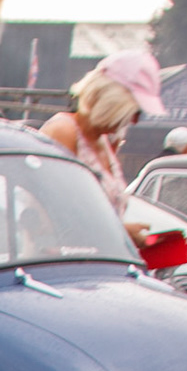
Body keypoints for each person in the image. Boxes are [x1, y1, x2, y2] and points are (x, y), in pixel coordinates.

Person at [41, 49, 166, 246]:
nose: (134, 121)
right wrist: (120, 232)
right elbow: (53, 213)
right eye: (135, 111)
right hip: (60, 258)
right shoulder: (64, 132)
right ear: (112, 99)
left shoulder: (105, 142)